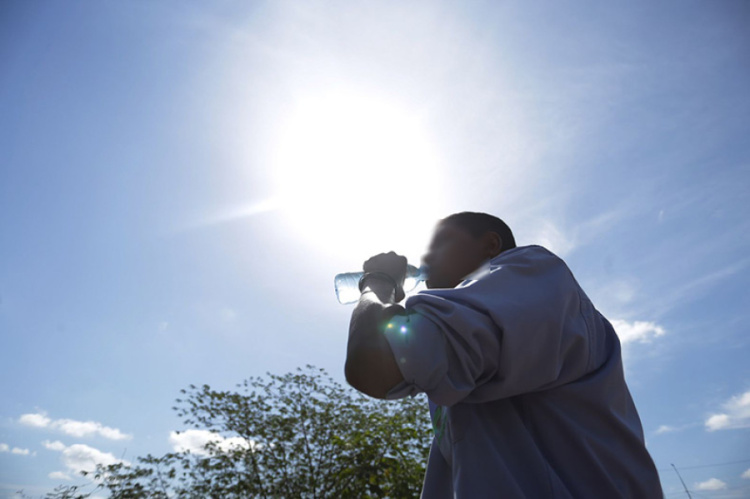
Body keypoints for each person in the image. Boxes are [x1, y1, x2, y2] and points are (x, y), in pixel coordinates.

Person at [345, 212, 663, 498]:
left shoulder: (532, 272)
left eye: (441, 243)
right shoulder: (469, 340)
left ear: (491, 245)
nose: (426, 255)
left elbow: (374, 364)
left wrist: (377, 282)